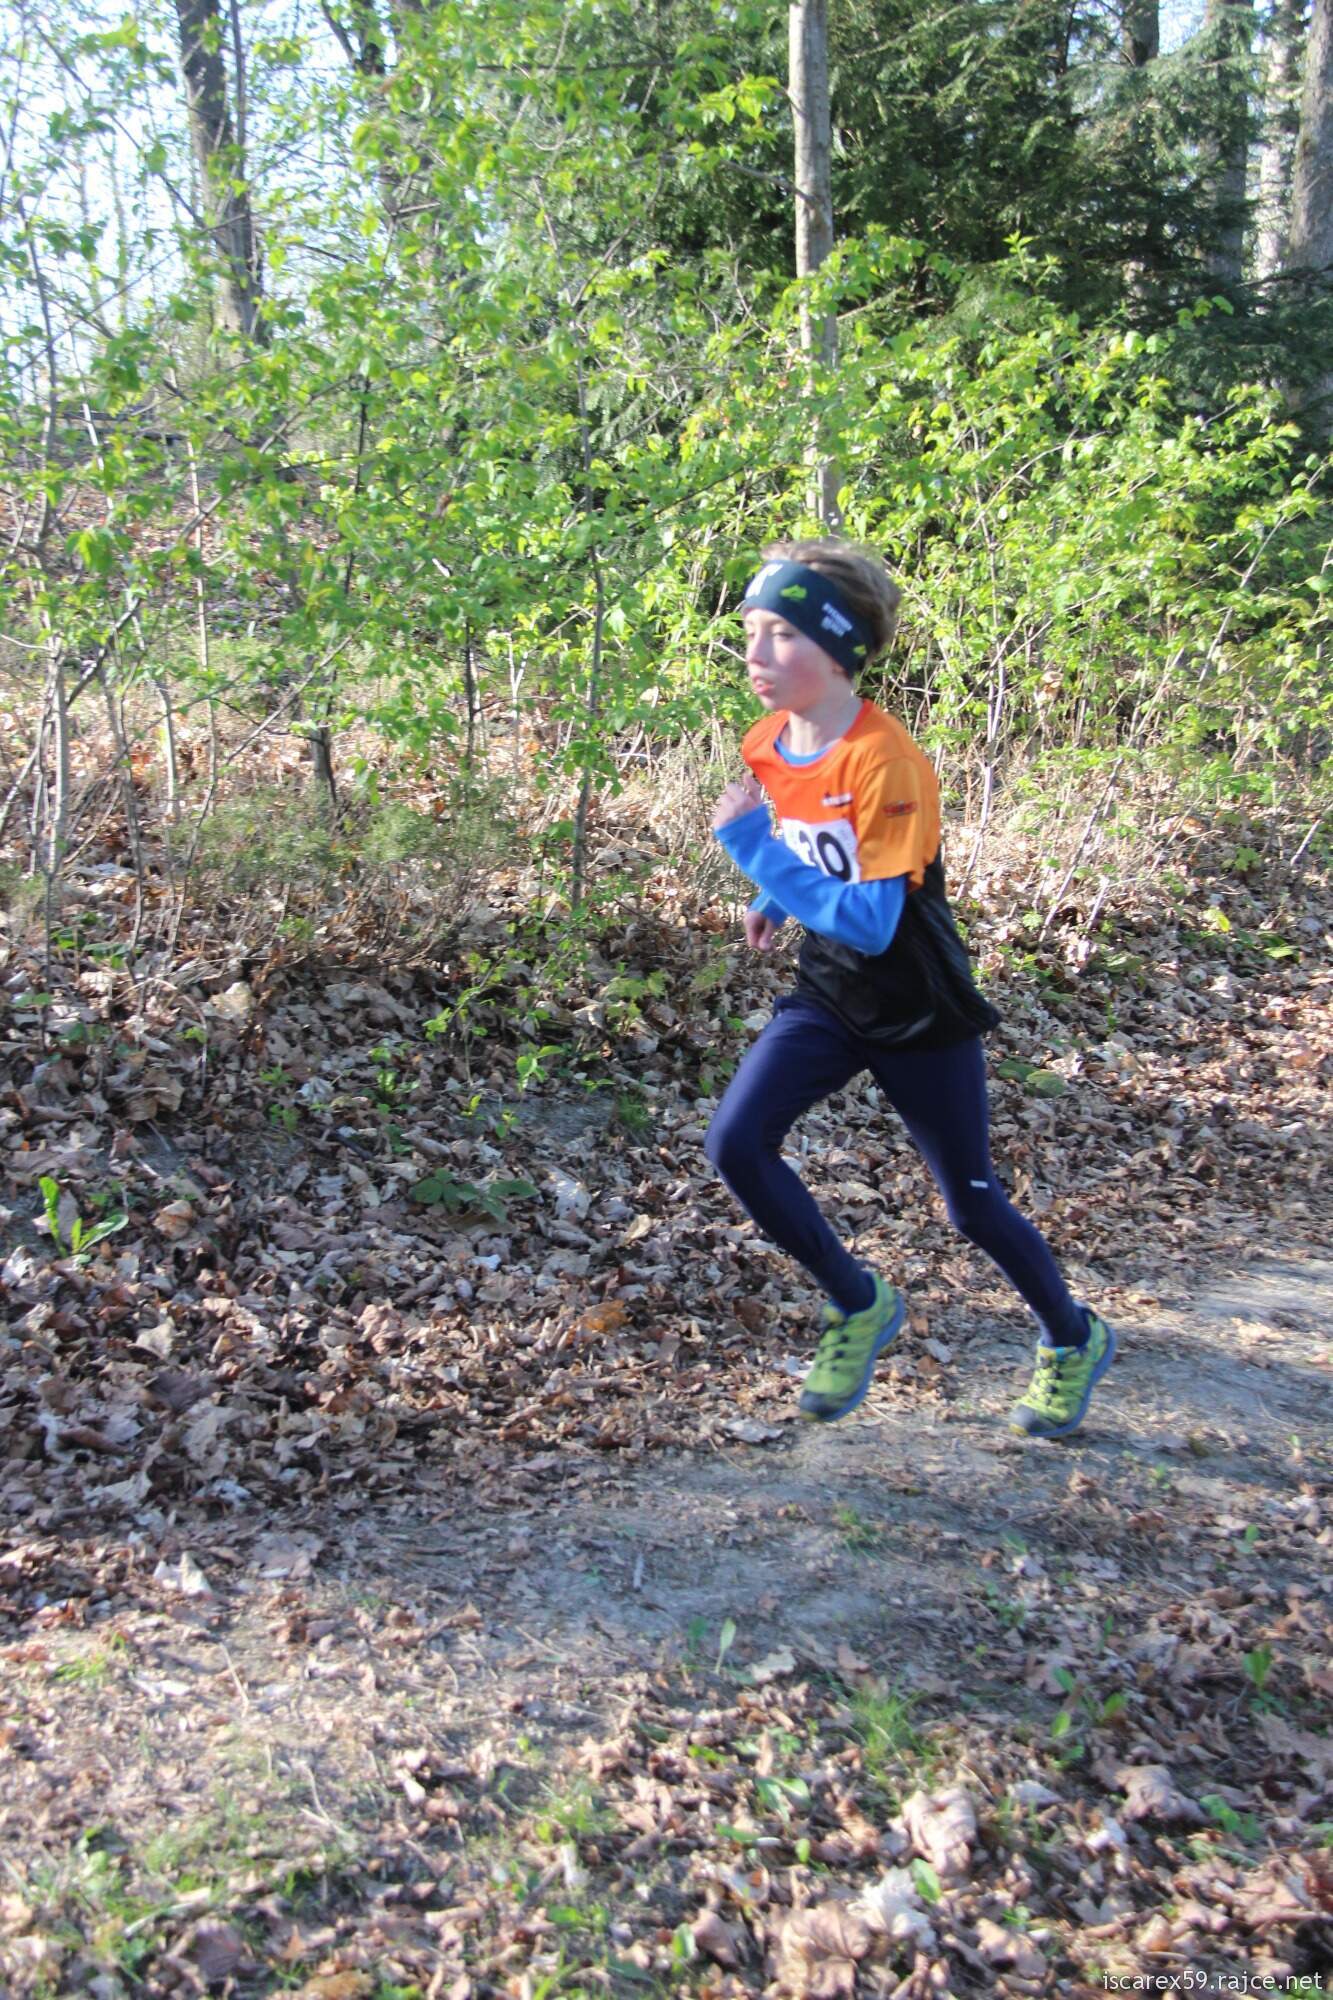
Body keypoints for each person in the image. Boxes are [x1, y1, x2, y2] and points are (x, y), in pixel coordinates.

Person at [706, 539, 1115, 1439]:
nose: (755, 654)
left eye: (782, 635)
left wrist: (753, 852)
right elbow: (818, 845)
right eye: (750, 631)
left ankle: (1071, 1336)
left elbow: (872, 922)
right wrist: (772, 895)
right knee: (735, 1143)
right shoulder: (767, 743)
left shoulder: (887, 760)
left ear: (838, 650)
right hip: (828, 996)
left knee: (970, 1204)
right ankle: (859, 1303)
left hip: (917, 1004)